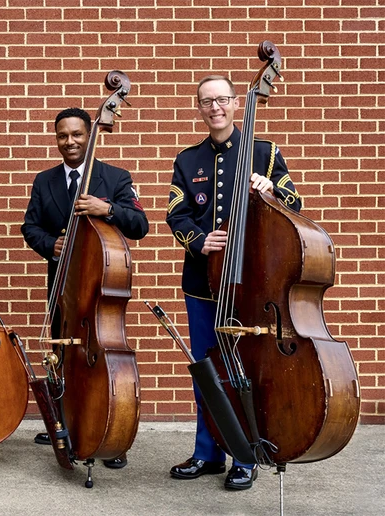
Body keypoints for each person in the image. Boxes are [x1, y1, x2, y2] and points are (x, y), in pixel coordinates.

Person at [165, 75, 302, 490]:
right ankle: (207, 453)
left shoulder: (264, 152)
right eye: (207, 101)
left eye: (222, 99)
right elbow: (176, 214)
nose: (215, 108)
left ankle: (246, 456)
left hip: (254, 285)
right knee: (207, 370)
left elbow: (296, 203)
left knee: (248, 370)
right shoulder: (187, 160)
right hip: (203, 284)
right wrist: (198, 240)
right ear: (199, 108)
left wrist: (271, 191)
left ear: (236, 103)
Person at [21, 107, 149, 469]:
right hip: (63, 291)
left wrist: (105, 208)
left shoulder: (116, 177)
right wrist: (51, 245)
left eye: (77, 134)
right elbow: (30, 227)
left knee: (101, 363)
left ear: (89, 136)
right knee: (62, 356)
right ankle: (67, 423)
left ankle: (108, 433)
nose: (70, 142)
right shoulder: (44, 181)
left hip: (98, 292)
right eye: (62, 135)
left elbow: (140, 224)